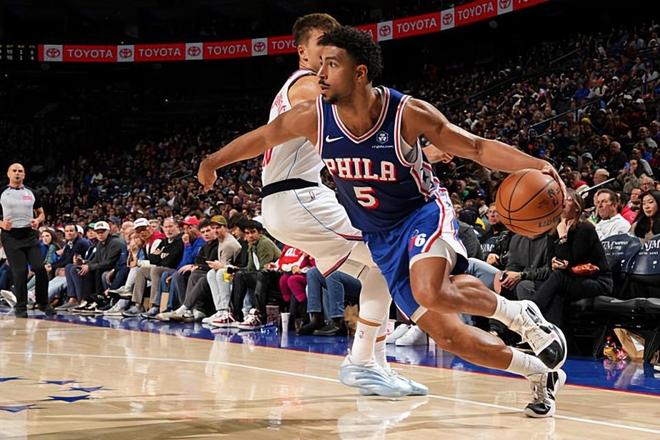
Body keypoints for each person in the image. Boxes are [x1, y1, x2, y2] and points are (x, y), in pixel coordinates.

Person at [198, 26, 568, 417]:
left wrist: (538, 165)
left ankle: (519, 315)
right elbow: (261, 138)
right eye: (320, 65)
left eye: (332, 65)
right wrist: (212, 161)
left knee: (430, 290)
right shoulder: (313, 117)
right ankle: (539, 372)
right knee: (450, 336)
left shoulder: (407, 112)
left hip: (421, 213)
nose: (320, 74)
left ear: (359, 73)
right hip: (380, 235)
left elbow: (475, 147)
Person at [203, 13, 426, 396]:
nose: (330, 51)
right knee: (393, 257)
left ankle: (372, 365)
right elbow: (361, 118)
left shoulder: (303, 91)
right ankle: (371, 358)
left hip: (294, 202)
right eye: (322, 43)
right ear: (303, 52)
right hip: (300, 199)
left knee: (379, 271)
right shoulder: (308, 85)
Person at [530, 190, 613, 328]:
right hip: (568, 279)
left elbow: (573, 261)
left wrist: (563, 237)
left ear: (577, 207)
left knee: (558, 279)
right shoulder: (554, 230)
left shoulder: (586, 229)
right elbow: (552, 261)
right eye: (561, 200)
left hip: (596, 281)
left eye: (568, 200)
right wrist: (553, 264)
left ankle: (529, 315)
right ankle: (552, 334)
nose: (563, 203)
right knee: (547, 285)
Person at [0, 163, 54, 317]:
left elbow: (41, 213)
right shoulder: (2, 192)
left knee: (39, 268)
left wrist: (38, 220)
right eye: (14, 171)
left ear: (24, 175)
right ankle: (21, 306)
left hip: (29, 235)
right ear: (8, 173)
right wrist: (1, 223)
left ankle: (43, 302)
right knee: (20, 271)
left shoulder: (32, 192)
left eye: (20, 171)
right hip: (10, 236)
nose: (17, 173)